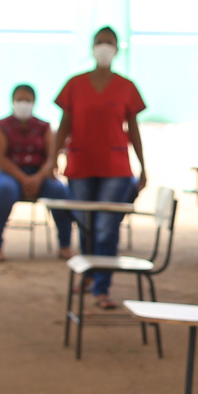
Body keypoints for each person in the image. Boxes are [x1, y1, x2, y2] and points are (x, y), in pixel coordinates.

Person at [52, 27, 148, 309]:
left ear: (117, 49)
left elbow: (134, 130)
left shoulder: (126, 87)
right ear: (92, 47)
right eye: (99, 42)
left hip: (116, 167)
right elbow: (64, 125)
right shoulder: (75, 84)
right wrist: (53, 158)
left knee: (107, 225)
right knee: (86, 223)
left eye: (109, 43)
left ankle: (103, 287)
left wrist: (143, 165)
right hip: (80, 163)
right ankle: (89, 274)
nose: (104, 47)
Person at [0, 84, 74, 261]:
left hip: (38, 174)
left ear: (34, 103)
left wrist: (38, 177)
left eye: (27, 100)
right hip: (7, 174)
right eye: (19, 100)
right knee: (4, 190)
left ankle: (65, 244)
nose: (23, 104)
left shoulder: (43, 127)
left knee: (60, 191)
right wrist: (24, 178)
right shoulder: (0, 127)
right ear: (12, 101)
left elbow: (51, 156)